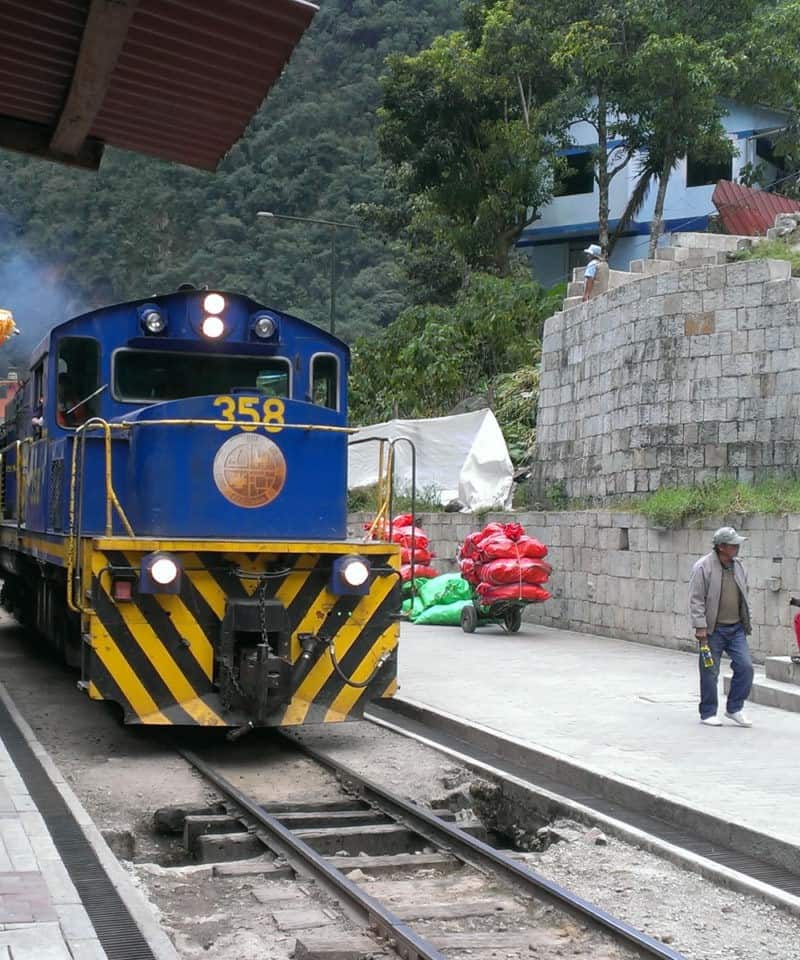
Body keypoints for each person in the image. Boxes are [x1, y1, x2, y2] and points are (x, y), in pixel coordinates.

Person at [688, 527, 754, 727]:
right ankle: (708, 712)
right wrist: (700, 627)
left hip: (736, 629)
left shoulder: (738, 566)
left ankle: (734, 708)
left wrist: (745, 621)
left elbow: (744, 594)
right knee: (710, 671)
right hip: (713, 629)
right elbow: (696, 599)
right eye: (733, 544)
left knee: (746, 667)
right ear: (721, 547)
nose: (737, 547)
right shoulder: (703, 567)